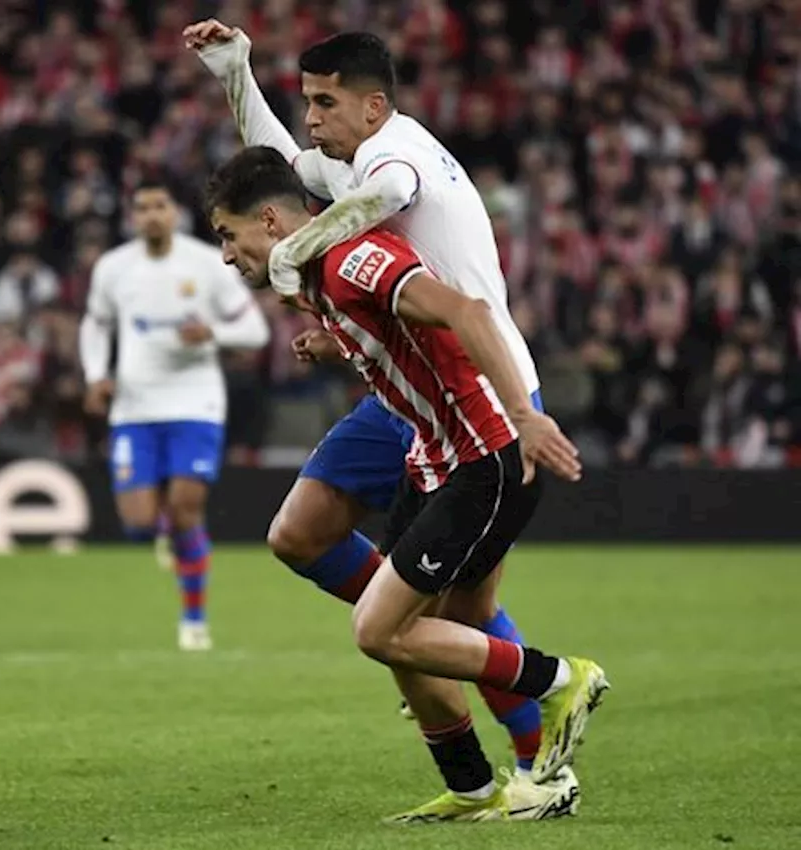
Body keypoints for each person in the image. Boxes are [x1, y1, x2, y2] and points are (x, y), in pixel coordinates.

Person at [186, 21, 556, 781]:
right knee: (300, 534)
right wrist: (236, 70)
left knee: (465, 616)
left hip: (479, 387)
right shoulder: (353, 156)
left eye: (324, 103)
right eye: (307, 102)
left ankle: (530, 746)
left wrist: (296, 249)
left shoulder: (395, 155)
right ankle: (406, 629)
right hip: (408, 394)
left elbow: (384, 199)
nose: (312, 119)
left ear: (375, 106)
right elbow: (280, 175)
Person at [205, 146, 610, 822]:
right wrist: (342, 344)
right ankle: (477, 787)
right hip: (433, 457)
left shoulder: (355, 257)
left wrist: (524, 416)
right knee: (397, 627)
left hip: (484, 455)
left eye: (226, 233)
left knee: (388, 628)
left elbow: (470, 313)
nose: (223, 253)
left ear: (272, 221)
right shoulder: (312, 275)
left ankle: (559, 683)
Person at [79, 178, 270, 651]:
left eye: (159, 206)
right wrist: (94, 375)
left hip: (194, 402)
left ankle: (194, 619)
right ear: (132, 217)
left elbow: (255, 331)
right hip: (134, 406)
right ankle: (162, 529)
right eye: (142, 208)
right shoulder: (114, 268)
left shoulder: (206, 265)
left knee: (187, 509)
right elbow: (96, 324)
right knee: (139, 522)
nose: (151, 216)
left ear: (176, 213)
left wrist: (213, 336)